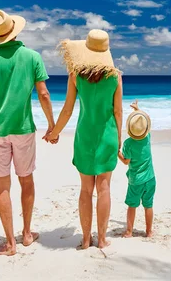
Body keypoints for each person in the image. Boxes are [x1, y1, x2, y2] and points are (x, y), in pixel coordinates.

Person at [0, 9, 55, 256]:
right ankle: (27, 234)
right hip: (23, 130)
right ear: (14, 30)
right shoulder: (32, 57)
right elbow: (43, 94)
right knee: (26, 179)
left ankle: (10, 243)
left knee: (3, 186)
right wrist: (52, 125)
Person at [46, 29, 122, 250]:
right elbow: (117, 111)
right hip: (107, 137)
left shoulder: (75, 75)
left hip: (84, 138)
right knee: (104, 188)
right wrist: (119, 139)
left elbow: (68, 109)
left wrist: (54, 132)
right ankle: (103, 240)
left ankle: (86, 240)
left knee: (86, 189)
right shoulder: (115, 77)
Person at [118, 100, 155, 238]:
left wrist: (117, 153)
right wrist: (137, 110)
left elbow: (126, 161)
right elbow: (144, 123)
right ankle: (149, 231)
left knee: (132, 206)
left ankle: (129, 231)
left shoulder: (128, 143)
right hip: (151, 179)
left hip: (136, 181)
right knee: (148, 205)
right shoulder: (147, 138)